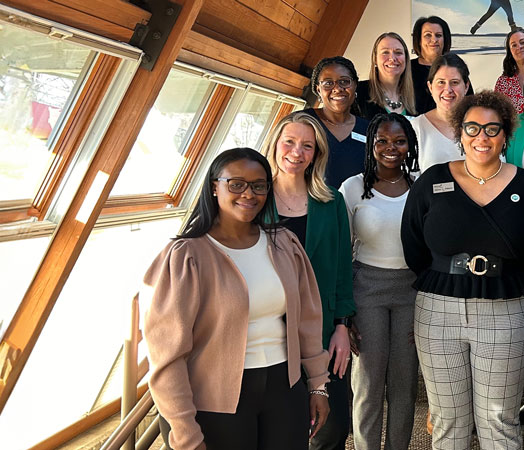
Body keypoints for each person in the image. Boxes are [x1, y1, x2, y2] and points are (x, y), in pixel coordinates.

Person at [143, 148, 331, 450]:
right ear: (214, 187)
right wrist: (183, 431)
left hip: (285, 389)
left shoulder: (283, 244)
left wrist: (319, 386)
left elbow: (308, 321)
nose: (249, 194)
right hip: (216, 400)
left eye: (258, 185)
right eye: (236, 184)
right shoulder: (186, 257)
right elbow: (167, 357)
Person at [401, 91, 524, 450]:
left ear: (505, 135)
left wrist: (510, 282)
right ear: (459, 132)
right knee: (447, 419)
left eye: (491, 129)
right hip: (438, 312)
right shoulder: (432, 181)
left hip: (507, 310)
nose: (481, 137)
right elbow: (413, 245)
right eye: (472, 128)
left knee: (498, 419)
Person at [263, 112, 357, 450]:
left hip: (323, 331)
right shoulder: (254, 200)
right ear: (274, 144)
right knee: (279, 428)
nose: (296, 152)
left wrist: (343, 326)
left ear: (316, 154)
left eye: (307, 146)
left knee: (331, 429)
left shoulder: (331, 202)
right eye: (289, 142)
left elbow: (343, 271)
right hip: (267, 332)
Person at [340, 113, 423, 450]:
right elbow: (342, 252)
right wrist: (345, 314)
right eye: (383, 141)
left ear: (410, 145)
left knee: (405, 385)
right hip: (367, 290)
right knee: (368, 383)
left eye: (400, 141)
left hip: (412, 291)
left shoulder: (422, 185)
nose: (391, 148)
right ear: (371, 144)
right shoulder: (352, 187)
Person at [304, 57, 372, 190]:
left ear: (355, 86)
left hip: (355, 208)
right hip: (309, 207)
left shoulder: (369, 129)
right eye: (328, 83)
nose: (337, 88)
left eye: (344, 82)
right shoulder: (303, 122)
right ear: (318, 90)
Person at [411, 54, 474, 171]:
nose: (448, 90)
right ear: (430, 87)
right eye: (441, 82)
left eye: (454, 82)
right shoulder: (417, 128)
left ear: (466, 87)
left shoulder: (482, 125)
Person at [358, 33, 415, 115]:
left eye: (398, 52)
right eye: (385, 52)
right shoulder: (359, 92)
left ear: (406, 59)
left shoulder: (416, 95)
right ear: (375, 59)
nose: (392, 58)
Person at [411, 17, 452, 115]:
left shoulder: (455, 68)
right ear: (419, 40)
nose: (434, 40)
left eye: (438, 35)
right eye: (428, 35)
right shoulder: (406, 69)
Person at [494, 28, 524, 114]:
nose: (519, 47)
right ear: (510, 52)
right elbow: (497, 113)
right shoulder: (503, 82)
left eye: (523, 42)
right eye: (514, 45)